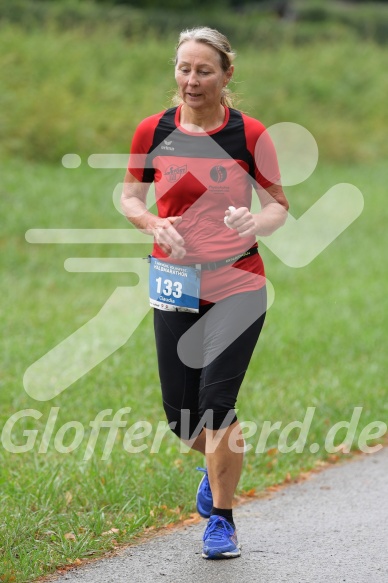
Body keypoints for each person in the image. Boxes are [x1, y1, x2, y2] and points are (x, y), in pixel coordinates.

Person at [121, 26, 289, 560]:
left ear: (227, 74)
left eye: (204, 70)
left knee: (218, 407)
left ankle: (222, 519)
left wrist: (253, 222)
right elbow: (129, 196)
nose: (192, 80)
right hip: (175, 284)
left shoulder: (250, 134)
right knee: (182, 419)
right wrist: (151, 222)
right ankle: (216, 465)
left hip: (238, 283)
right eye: (184, 69)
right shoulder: (153, 130)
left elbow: (278, 205)